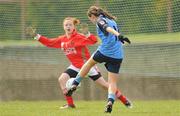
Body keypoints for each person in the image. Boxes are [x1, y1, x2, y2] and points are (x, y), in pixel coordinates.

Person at [26, 17, 131, 109]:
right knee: (62, 79)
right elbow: (49, 42)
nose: (68, 26)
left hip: (87, 66)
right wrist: (36, 36)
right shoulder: (62, 40)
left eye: (70, 24)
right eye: (66, 25)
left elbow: (94, 41)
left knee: (105, 86)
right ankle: (70, 105)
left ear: (73, 26)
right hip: (75, 66)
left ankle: (124, 100)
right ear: (63, 27)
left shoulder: (78, 37)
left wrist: (87, 34)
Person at [66, 6, 132, 113]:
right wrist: (120, 39)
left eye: (90, 19)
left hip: (104, 51)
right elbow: (113, 33)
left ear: (92, 16)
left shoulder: (100, 20)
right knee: (112, 83)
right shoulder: (112, 21)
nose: (91, 21)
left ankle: (75, 83)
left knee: (88, 64)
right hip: (117, 55)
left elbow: (107, 28)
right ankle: (110, 101)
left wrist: (119, 35)